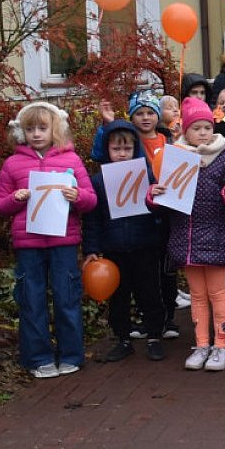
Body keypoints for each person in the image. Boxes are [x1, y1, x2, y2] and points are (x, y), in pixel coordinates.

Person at [0, 102, 97, 379]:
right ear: (21, 133)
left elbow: (90, 200)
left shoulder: (71, 160)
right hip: (29, 245)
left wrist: (77, 197)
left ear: (55, 129)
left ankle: (71, 355)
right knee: (32, 300)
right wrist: (15, 199)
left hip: (63, 242)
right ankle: (39, 358)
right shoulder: (12, 164)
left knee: (67, 298)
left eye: (42, 128)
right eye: (30, 129)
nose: (36, 134)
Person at [150, 98, 225, 371]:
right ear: (185, 131)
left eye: (207, 127)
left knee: (218, 292)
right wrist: (153, 195)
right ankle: (202, 344)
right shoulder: (175, 157)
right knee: (198, 295)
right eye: (196, 128)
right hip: (186, 239)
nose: (203, 132)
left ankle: (222, 345)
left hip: (216, 237)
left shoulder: (224, 158)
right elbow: (162, 200)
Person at [92, 91, 180, 339]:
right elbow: (101, 151)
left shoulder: (166, 140)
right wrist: (107, 125)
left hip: (155, 224)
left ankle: (163, 322)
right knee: (129, 287)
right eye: (139, 113)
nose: (145, 117)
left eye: (150, 112)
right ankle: (134, 329)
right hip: (123, 235)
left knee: (159, 276)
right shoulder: (107, 170)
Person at [82, 120, 166, 363]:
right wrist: (92, 249)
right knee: (118, 297)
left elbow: (158, 212)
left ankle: (153, 337)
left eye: (127, 149)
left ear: (135, 149)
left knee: (150, 292)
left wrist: (156, 198)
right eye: (116, 149)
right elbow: (93, 220)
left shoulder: (147, 175)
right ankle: (123, 339)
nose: (121, 154)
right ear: (107, 149)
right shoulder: (98, 181)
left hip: (145, 244)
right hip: (114, 248)